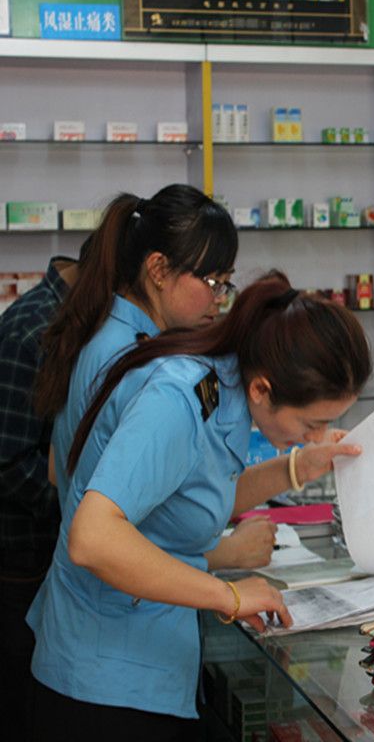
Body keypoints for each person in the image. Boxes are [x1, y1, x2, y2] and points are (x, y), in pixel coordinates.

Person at [27, 273, 372, 740]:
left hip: (150, 656)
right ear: (262, 390)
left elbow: (192, 499)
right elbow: (92, 539)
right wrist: (230, 596)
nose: (317, 434)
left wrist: (298, 467)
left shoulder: (224, 385)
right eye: (312, 423)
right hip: (104, 676)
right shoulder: (178, 399)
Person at [35, 185, 276, 572]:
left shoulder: (118, 331)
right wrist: (223, 556)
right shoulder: (133, 358)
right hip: (111, 596)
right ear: (160, 270)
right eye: (212, 282)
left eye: (226, 284)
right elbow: (112, 531)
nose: (220, 298)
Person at [0, 241, 89, 741]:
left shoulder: (70, 324)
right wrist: (76, 510)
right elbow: (7, 460)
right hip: (20, 559)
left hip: (46, 552)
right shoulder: (32, 330)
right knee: (21, 702)